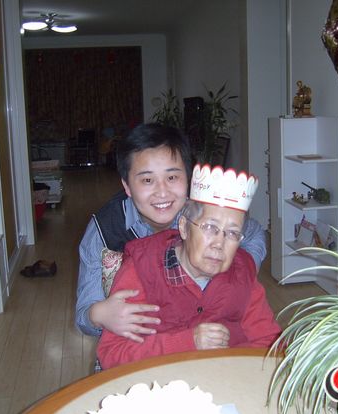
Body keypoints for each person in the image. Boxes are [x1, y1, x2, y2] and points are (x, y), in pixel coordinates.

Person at [75, 123, 267, 342]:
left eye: (172, 177)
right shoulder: (104, 229)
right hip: (140, 344)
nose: (162, 192)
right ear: (127, 186)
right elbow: (83, 317)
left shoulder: (203, 214)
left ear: (188, 179)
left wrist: (239, 278)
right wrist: (99, 315)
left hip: (202, 335)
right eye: (147, 180)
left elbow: (254, 234)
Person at [97, 164, 281, 369]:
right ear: (184, 227)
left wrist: (229, 364)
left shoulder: (242, 272)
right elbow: (112, 354)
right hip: (159, 383)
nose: (219, 244)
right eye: (210, 227)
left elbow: (270, 344)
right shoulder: (142, 269)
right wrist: (188, 342)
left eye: (232, 233)